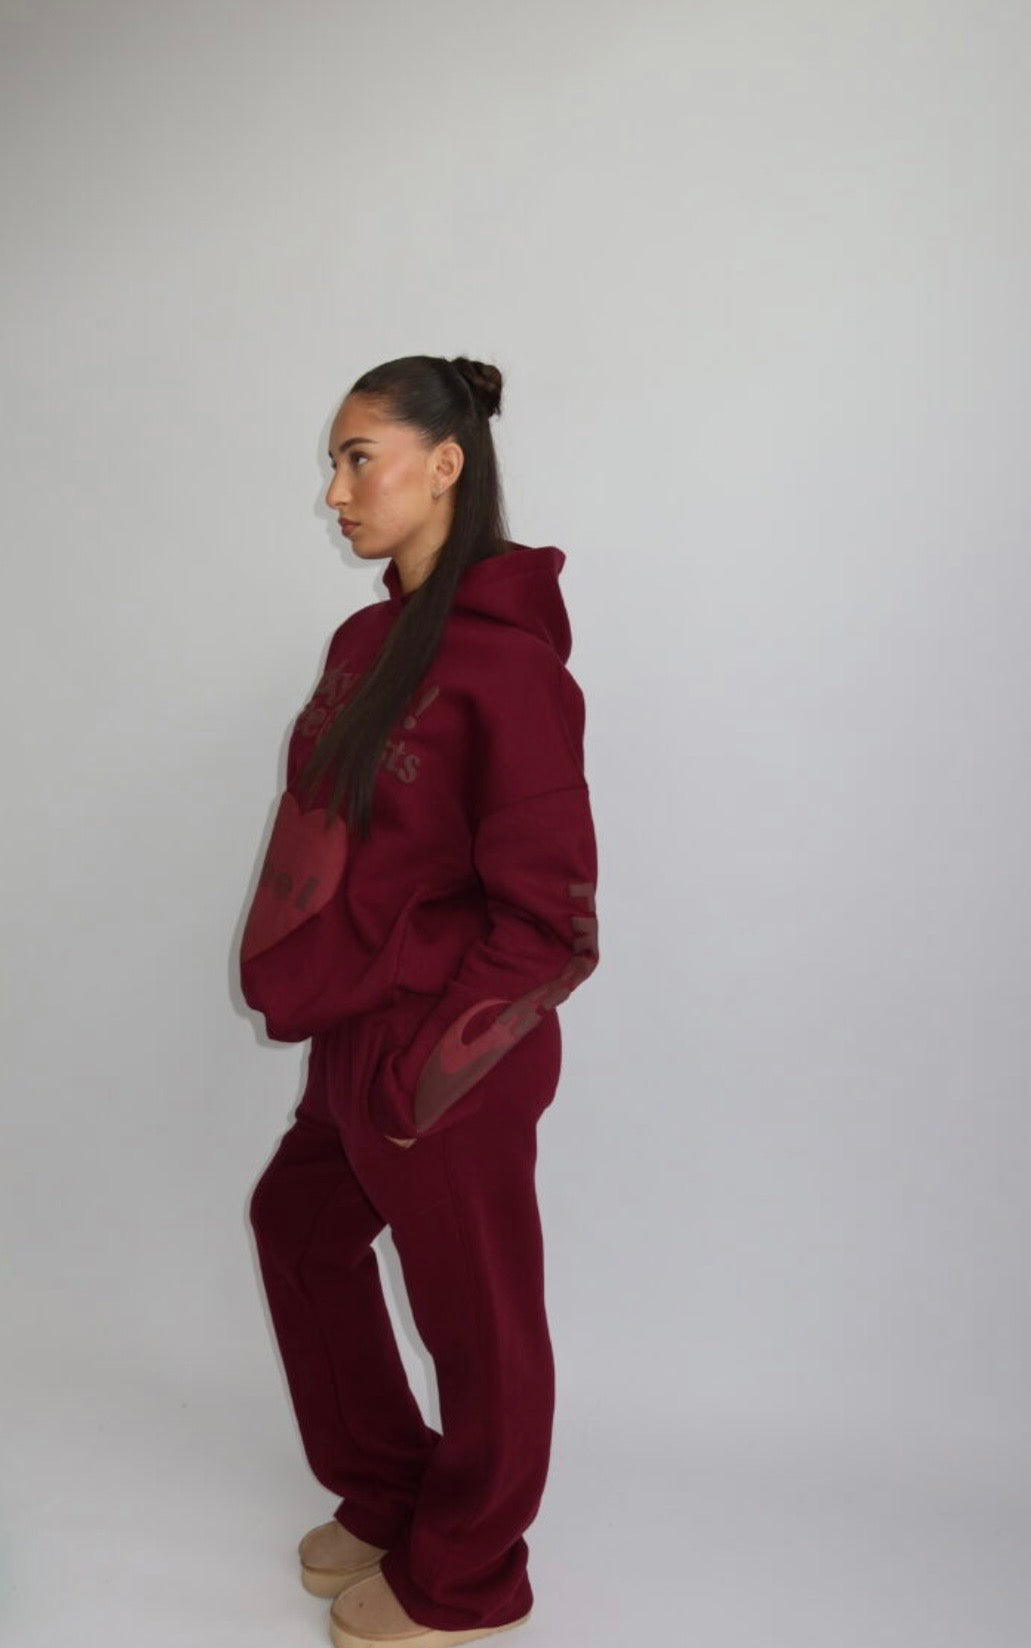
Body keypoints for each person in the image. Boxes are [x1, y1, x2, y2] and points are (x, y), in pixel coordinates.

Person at [241, 354, 600, 1648]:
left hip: (454, 1051)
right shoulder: (366, 642)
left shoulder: (515, 673)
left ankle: (468, 1577)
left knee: (478, 1319)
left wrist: (428, 1070)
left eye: (359, 459)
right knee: (297, 1230)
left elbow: (554, 927)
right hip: (358, 1029)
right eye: (334, 463)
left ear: (445, 464)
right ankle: (396, 1493)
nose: (335, 492)